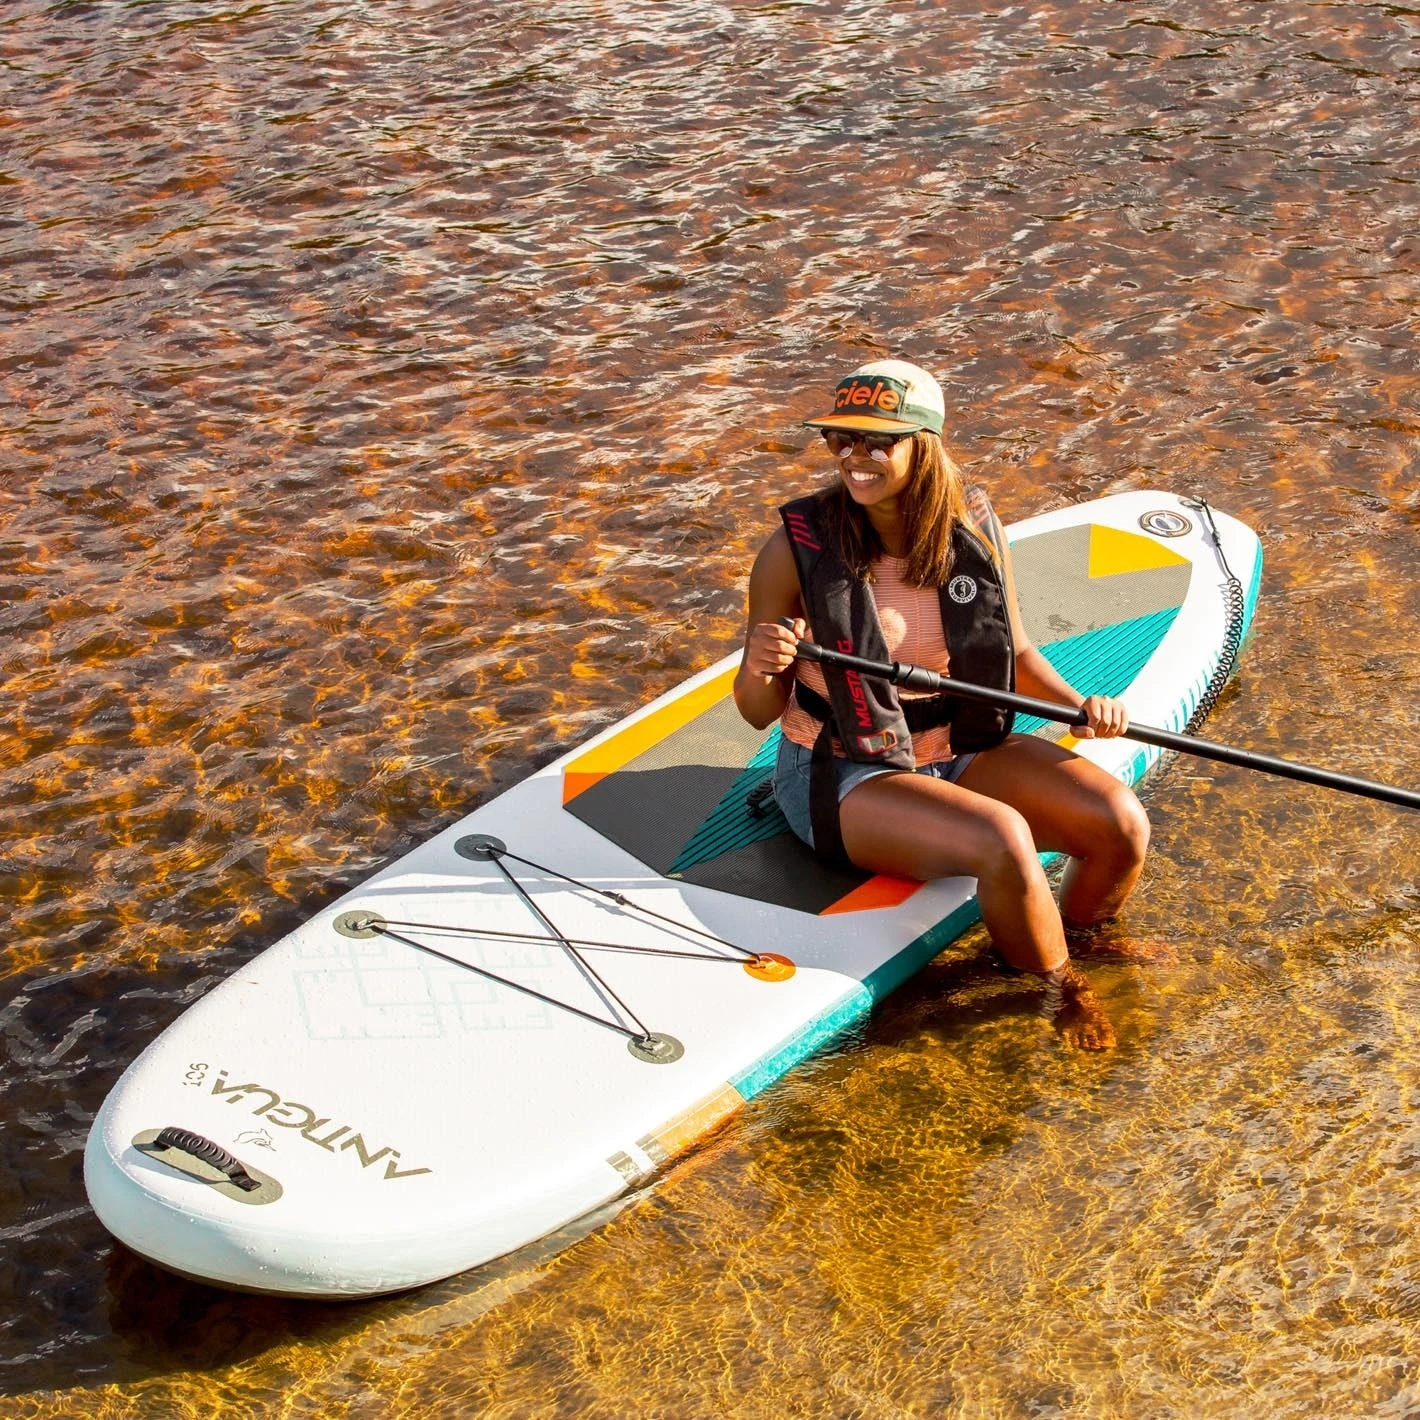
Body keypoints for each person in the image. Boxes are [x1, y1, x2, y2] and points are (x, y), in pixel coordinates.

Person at [733, 359, 1152, 1050]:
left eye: (876, 442)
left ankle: (1073, 940)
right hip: (841, 774)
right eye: (839, 438)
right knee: (1003, 839)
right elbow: (755, 711)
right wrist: (760, 662)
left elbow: (1015, 651)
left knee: (1119, 823)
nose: (853, 457)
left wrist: (1081, 706)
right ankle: (1057, 987)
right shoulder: (794, 550)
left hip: (955, 750)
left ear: (922, 444)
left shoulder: (975, 525)